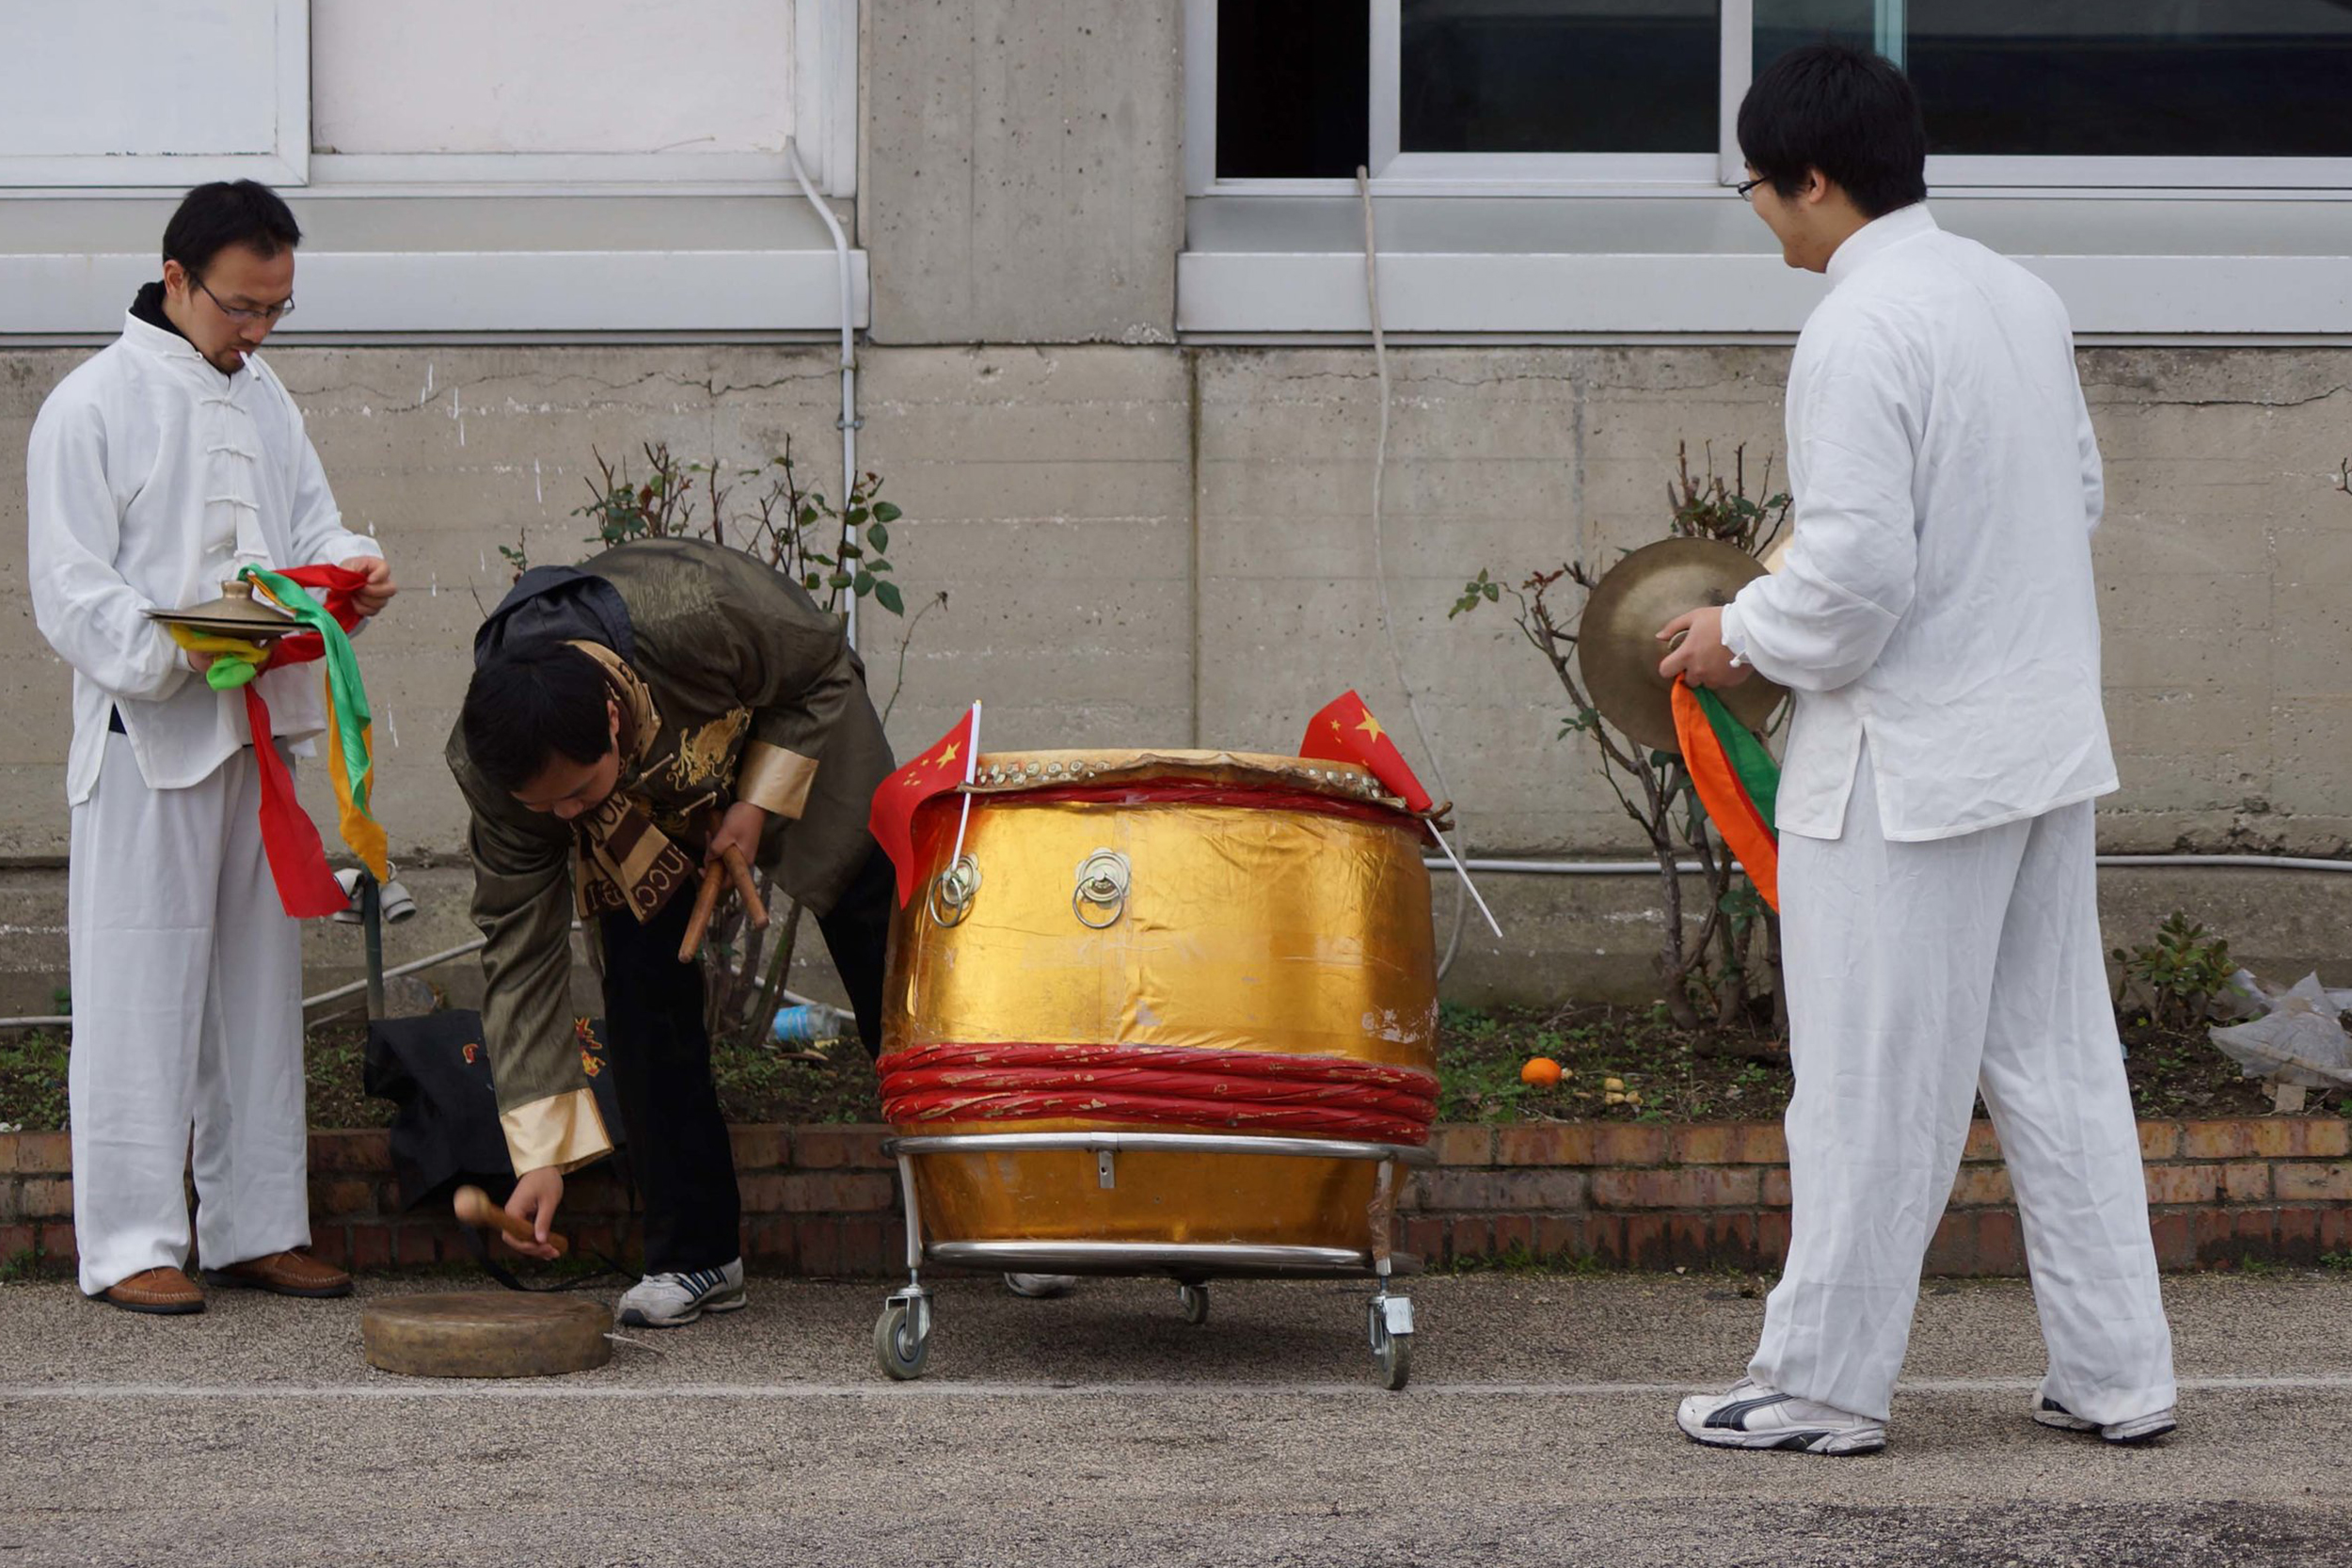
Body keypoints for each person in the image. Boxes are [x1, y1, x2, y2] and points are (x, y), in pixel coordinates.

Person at [1658, 45, 2176, 1453]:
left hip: (1911, 760)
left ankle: (1822, 1381)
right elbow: (2074, 490)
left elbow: (1852, 584)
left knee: (1867, 1082)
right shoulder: (2018, 294)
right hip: (2039, 741)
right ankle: (2118, 1373)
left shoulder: (1855, 326)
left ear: (1817, 182)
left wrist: (1734, 633)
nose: (1760, 212)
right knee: (2059, 1067)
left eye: (1762, 188)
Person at [27, 180, 398, 1314]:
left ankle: (255, 1226)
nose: (258, 331)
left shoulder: (264, 394)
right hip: (152, 739)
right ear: (176, 278)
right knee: (140, 991)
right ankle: (131, 1238)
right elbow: (74, 598)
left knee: (253, 990)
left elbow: (309, 526)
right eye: (241, 307)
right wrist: (198, 642)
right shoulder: (88, 406)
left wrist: (354, 567)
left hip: (259, 737)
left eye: (277, 309)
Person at [449, 538, 896, 1328]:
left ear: (612, 716)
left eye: (575, 791)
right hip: (643, 811)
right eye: (546, 806)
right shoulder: (499, 769)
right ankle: (696, 1254)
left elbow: (824, 668)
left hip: (785, 734)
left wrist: (753, 804)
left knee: (880, 945)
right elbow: (520, 950)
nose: (564, 817)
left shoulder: (700, 612)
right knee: (643, 986)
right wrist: (544, 1154)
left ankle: (997, 1203)